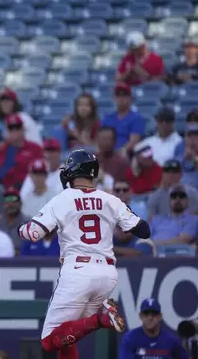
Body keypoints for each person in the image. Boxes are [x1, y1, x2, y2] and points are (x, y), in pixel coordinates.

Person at [18, 149, 151, 359]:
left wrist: (21, 229)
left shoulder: (63, 198)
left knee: (49, 340)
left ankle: (102, 319)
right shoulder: (110, 199)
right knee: (67, 335)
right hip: (107, 274)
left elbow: (34, 233)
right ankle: (102, 318)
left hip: (78, 271)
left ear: (72, 171)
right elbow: (144, 230)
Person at [119, 298, 189, 359]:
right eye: (146, 314)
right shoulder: (131, 338)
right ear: (140, 316)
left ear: (160, 316)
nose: (150, 318)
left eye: (154, 314)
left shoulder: (171, 340)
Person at [0, 114, 43, 189]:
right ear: (7, 131)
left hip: (29, 189)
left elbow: (42, 172)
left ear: (23, 129)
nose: (14, 131)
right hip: (6, 190)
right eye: (11, 128)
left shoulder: (35, 148)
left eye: (17, 127)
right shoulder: (2, 150)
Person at [112, 180, 155, 257]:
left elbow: (139, 253)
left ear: (130, 191)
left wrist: (111, 250)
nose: (121, 193)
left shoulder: (140, 207)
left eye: (125, 190)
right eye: (117, 190)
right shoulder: (106, 209)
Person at [101, 83, 147, 154]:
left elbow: (133, 141)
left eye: (125, 95)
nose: (121, 98)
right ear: (114, 98)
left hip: (126, 154)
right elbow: (100, 138)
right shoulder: (108, 118)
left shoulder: (136, 118)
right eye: (118, 95)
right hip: (107, 153)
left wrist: (117, 154)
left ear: (130, 98)